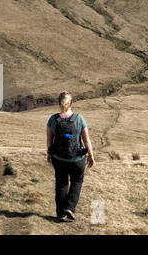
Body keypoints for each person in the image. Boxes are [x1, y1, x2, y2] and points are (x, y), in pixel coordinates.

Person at [46, 91, 95, 222]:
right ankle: (69, 207)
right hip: (77, 160)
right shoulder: (79, 119)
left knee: (61, 184)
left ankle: (61, 213)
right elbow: (87, 140)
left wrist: (49, 153)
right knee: (77, 182)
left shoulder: (53, 119)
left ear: (59, 103)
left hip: (59, 159)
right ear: (71, 102)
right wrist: (91, 155)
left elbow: (49, 140)